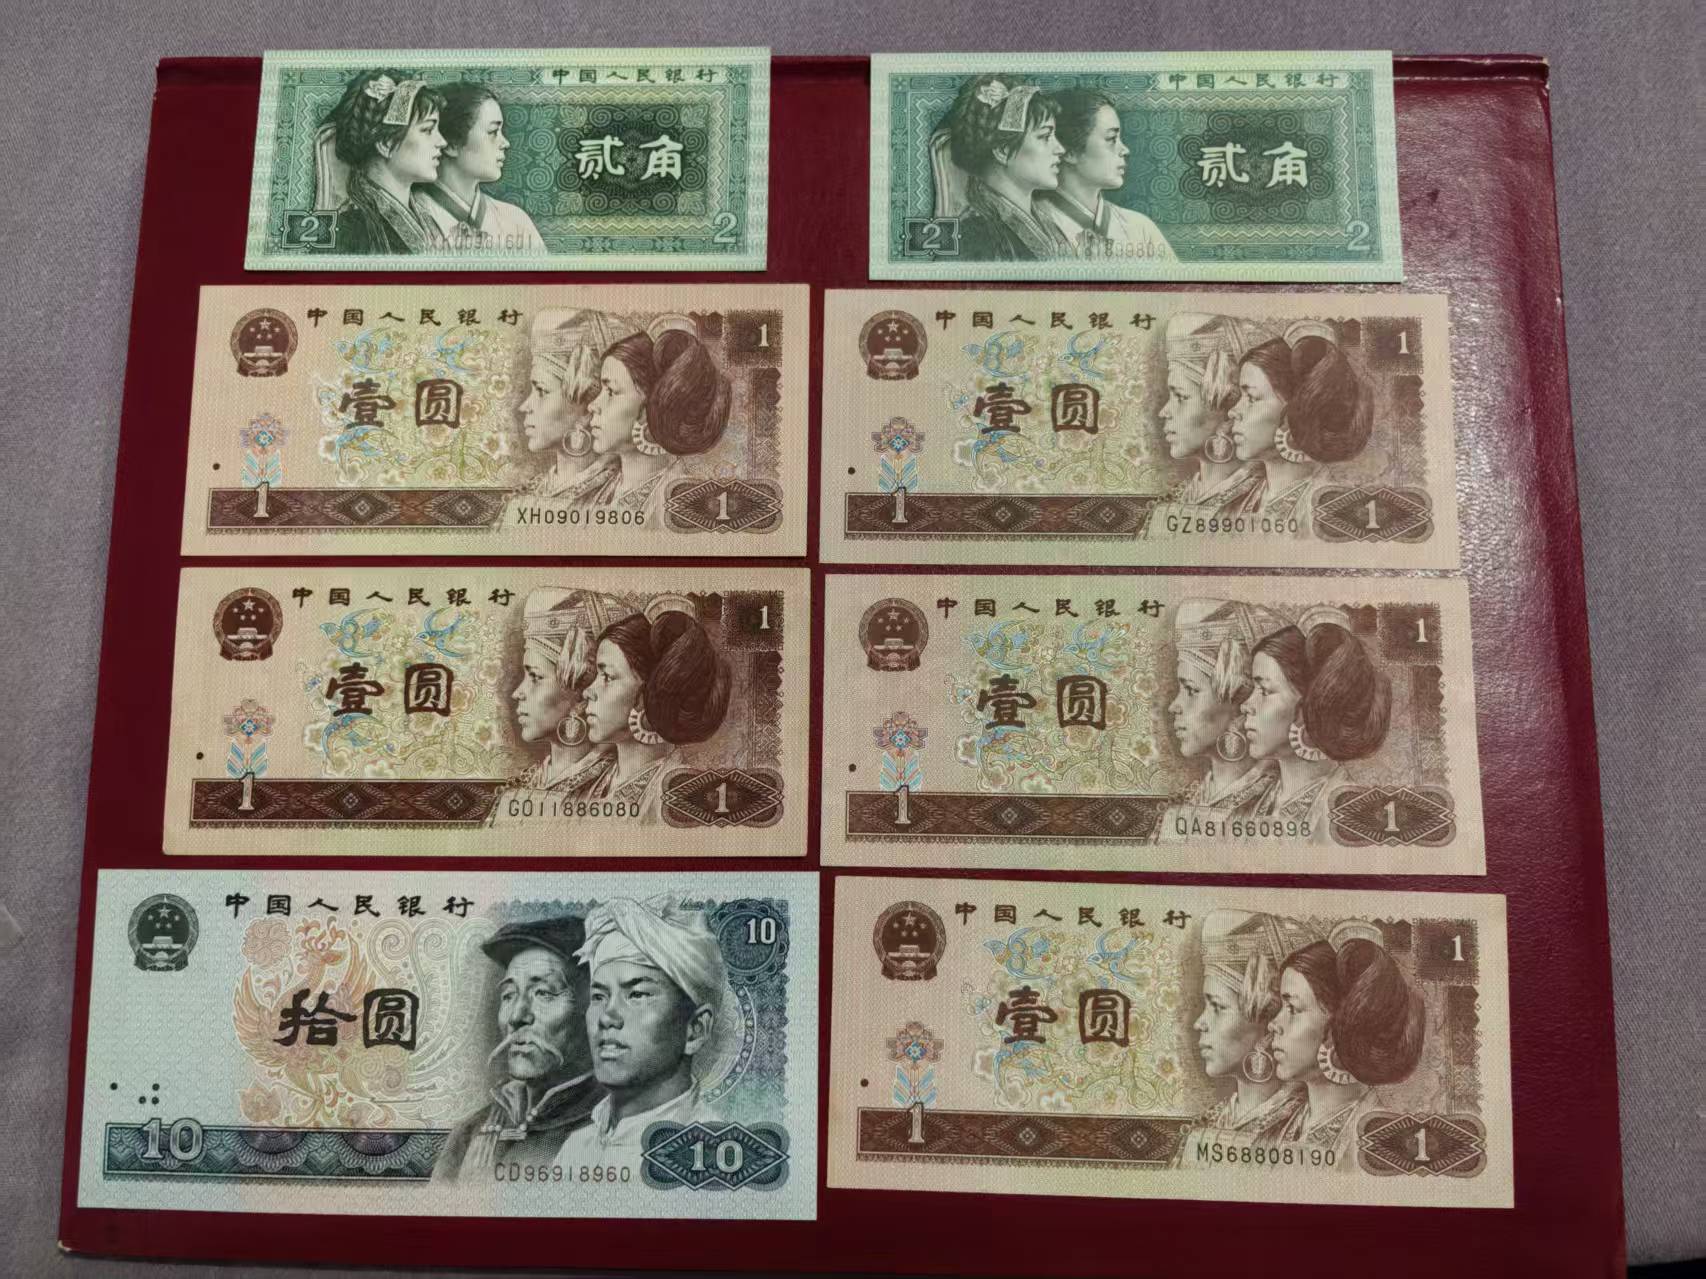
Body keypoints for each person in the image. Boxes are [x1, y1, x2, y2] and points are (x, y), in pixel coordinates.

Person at [554, 897, 727, 1171]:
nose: (607, 1017)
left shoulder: (714, 1153)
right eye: (598, 996)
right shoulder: (576, 1148)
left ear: (695, 1029)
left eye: (637, 994)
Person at [433, 915, 604, 1181]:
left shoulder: (614, 1126)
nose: (516, 1016)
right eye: (509, 995)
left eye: (543, 993)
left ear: (592, 1007)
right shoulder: (469, 1132)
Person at [1268, 921, 1427, 1160]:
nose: (1273, 1024)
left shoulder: (1377, 1143)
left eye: (1292, 1008)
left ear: (1340, 1026)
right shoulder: (1275, 1128)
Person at [1239, 607, 1392, 839]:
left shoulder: (1347, 814)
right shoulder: (1252, 800)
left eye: (1265, 691)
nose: (1245, 706)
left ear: (1311, 705)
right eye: (1253, 689)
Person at [1174, 910, 1312, 1163]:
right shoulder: (1212, 1121)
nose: (1199, 1023)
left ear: (1269, 1022)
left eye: (1218, 1006)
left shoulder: (1307, 1128)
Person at [580, 599, 732, 822]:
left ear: (648, 695)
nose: (587, 692)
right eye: (596, 675)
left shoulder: (680, 800)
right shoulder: (588, 784)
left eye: (607, 677)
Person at [568, 317, 732, 521]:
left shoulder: (682, 504)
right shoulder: (593, 492)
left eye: (611, 391)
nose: (593, 405)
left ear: (650, 409)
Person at [1153, 598, 1288, 842]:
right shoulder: (1185, 805)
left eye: (1191, 690)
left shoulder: (1279, 805)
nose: (1174, 706)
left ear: (1240, 704)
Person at [1226, 321, 1374, 523]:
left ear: (1297, 410)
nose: (1233, 412)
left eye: (1251, 398)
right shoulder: (1238, 498)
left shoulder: (1328, 507)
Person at [1149, 313, 1281, 521]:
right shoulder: (1183, 496)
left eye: (1181, 396)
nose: (1164, 412)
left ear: (1229, 406)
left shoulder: (1266, 500)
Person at [507, 588, 634, 797]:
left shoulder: (615, 787)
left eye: (535, 677)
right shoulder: (528, 782)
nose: (518, 693)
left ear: (581, 694)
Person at [938, 75, 1074, 262]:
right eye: (1044, 136)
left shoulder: (1049, 225)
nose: (1060, 149)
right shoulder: (973, 235)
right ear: (1003, 151)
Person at [319, 71, 449, 254]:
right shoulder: (348, 231)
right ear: (386, 144)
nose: (442, 142)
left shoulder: (427, 220)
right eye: (427, 129)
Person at [1037, 89, 1173, 262]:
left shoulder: (1140, 228)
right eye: (1111, 139)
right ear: (1069, 152)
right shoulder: (1034, 225)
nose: (1125, 150)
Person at [516, 310, 641, 499]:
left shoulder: (619, 495)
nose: (524, 406)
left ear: (587, 409)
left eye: (541, 390)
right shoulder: (529, 494)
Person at [419, 82, 546, 254]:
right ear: (451, 144)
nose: (505, 143)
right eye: (493, 132)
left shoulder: (516, 221)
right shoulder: (414, 218)